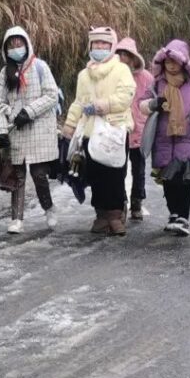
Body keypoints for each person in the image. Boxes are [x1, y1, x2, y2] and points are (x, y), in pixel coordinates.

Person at [62, 27, 136, 236]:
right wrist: (69, 124)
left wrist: (102, 106)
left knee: (114, 173)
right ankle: (101, 214)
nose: (100, 47)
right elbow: (79, 101)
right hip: (90, 131)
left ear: (112, 46)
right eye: (96, 44)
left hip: (115, 130)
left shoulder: (121, 70)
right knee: (94, 174)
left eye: (104, 44)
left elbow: (126, 96)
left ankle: (115, 215)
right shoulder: (84, 75)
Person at [0, 26, 61, 234]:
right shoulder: (5, 73)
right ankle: (16, 219)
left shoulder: (40, 67)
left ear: (26, 44)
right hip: (17, 131)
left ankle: (48, 207)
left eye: (19, 43)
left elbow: (51, 95)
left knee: (39, 174)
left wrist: (28, 112)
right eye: (11, 45)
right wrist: (1, 130)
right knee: (18, 176)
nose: (15, 48)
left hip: (40, 129)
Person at [140, 39, 190, 237]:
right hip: (162, 139)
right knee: (168, 180)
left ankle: (183, 218)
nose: (170, 64)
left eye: (175, 61)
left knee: (183, 180)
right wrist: (154, 104)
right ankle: (174, 214)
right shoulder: (156, 83)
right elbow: (142, 104)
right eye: (167, 61)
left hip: (187, 138)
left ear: (183, 62)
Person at [115, 37, 154, 221]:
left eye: (126, 55)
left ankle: (137, 202)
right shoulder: (112, 75)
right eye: (119, 54)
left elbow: (152, 99)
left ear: (134, 58)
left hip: (140, 129)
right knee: (118, 170)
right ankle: (120, 203)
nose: (122, 58)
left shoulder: (145, 77)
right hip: (118, 130)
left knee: (138, 169)